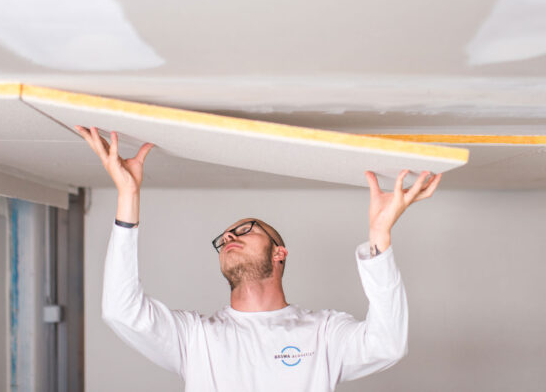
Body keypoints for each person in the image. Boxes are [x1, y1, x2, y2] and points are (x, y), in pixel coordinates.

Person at [75, 125, 442, 391]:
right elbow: (121, 310)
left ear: (279, 253)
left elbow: (387, 343)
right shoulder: (195, 338)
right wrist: (128, 197)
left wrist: (379, 236)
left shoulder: (323, 333)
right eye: (224, 238)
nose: (229, 237)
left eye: (245, 229)